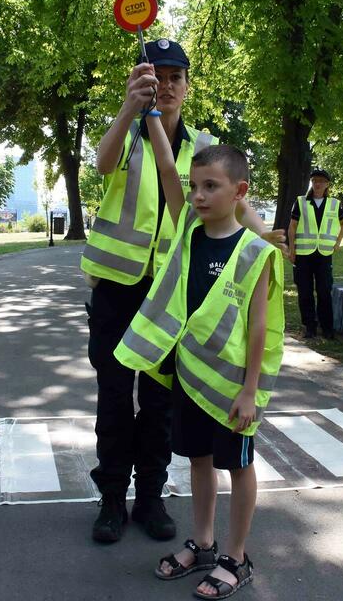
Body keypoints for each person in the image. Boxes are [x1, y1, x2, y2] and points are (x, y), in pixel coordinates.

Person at [85, 38, 283, 544]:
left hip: (173, 292)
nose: (167, 85)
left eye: (177, 77)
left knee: (158, 401)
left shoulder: (203, 144)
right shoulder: (129, 132)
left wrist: (262, 237)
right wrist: (132, 105)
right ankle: (111, 499)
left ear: (187, 87)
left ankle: (150, 497)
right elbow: (103, 166)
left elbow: (234, 198)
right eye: (159, 75)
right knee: (113, 397)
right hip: (118, 286)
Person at [114, 115, 284, 599]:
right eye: (194, 187)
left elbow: (258, 328)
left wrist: (250, 390)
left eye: (211, 186)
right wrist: (150, 109)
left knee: (239, 467)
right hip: (190, 380)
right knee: (198, 461)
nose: (199, 196)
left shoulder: (255, 253)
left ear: (239, 191)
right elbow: (167, 167)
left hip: (234, 391)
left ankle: (236, 557)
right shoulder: (188, 231)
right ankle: (204, 545)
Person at [287, 169, 343, 338]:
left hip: (324, 254)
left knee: (324, 291)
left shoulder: (334, 204)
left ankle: (327, 328)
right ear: (311, 183)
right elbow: (292, 226)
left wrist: (338, 242)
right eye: (314, 181)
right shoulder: (301, 202)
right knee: (305, 291)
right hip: (303, 254)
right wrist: (292, 249)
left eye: (321, 181)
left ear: (327, 184)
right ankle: (310, 327)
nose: (318, 184)